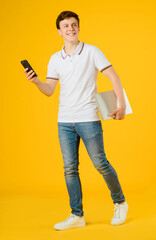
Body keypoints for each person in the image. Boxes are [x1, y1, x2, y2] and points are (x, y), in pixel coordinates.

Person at [24, 10, 129, 231]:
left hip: (88, 118)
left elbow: (113, 76)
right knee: (70, 169)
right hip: (64, 121)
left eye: (73, 25)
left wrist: (121, 105)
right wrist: (35, 82)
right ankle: (76, 215)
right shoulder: (55, 58)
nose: (70, 29)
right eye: (66, 26)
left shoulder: (92, 51)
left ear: (78, 27)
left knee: (100, 163)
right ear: (59, 31)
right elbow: (49, 90)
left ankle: (120, 202)